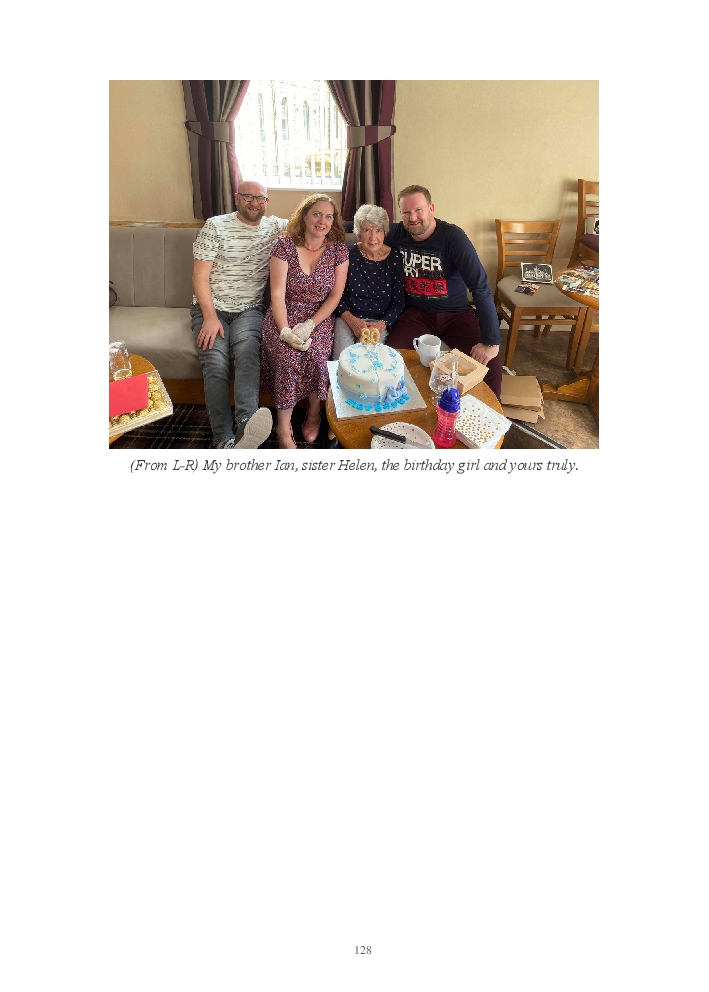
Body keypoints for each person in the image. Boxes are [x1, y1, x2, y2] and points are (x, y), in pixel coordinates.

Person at [191, 180, 287, 448]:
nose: (254, 203)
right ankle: (222, 437)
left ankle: (246, 428)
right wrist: (210, 317)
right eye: (248, 197)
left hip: (249, 309)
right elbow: (200, 276)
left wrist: (352, 227)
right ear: (236, 197)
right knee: (215, 362)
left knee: (247, 353)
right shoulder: (215, 226)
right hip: (211, 309)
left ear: (267, 202)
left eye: (260, 198)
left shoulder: (274, 226)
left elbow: (311, 222)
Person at [385, 184, 502, 399]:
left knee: (490, 366)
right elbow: (366, 226)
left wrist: (491, 341)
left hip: (456, 315)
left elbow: (480, 287)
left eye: (418, 210)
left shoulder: (453, 237)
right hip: (416, 314)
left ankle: (492, 416)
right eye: (406, 212)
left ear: (431, 209)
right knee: (391, 359)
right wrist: (329, 227)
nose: (413, 218)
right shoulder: (396, 234)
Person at [260, 195, 349, 449]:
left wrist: (311, 324)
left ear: (333, 222)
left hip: (319, 315)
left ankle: (314, 413)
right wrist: (285, 330)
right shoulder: (284, 246)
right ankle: (283, 428)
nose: (322, 221)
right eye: (317, 214)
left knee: (318, 356)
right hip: (284, 313)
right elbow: (277, 294)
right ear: (305, 216)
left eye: (328, 217)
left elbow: (335, 295)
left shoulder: (338, 250)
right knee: (288, 357)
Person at [331, 204, 405, 359]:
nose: (373, 237)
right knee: (342, 360)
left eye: (378, 230)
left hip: (379, 321)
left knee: (369, 361)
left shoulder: (395, 258)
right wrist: (352, 321)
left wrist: (382, 325)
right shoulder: (347, 254)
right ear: (358, 233)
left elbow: (399, 302)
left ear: (384, 232)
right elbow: (336, 295)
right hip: (347, 317)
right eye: (367, 230)